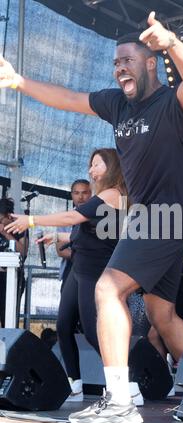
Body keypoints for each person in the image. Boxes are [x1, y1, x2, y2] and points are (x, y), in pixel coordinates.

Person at [1, 11, 183, 423]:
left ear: (150, 63)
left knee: (108, 288)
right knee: (162, 316)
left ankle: (119, 404)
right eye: (115, 63)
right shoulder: (117, 105)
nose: (118, 68)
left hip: (166, 217)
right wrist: (20, 82)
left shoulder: (172, 103)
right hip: (161, 221)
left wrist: (172, 43)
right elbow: (71, 99)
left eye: (127, 60)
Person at [6, 148, 127, 403]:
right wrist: (60, 237)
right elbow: (93, 230)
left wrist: (32, 220)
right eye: (90, 165)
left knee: (95, 332)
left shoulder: (115, 194)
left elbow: (76, 216)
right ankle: (76, 383)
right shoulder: (104, 195)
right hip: (79, 267)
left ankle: (126, 383)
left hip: (95, 268)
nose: (91, 170)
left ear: (112, 167)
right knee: (63, 325)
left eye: (96, 165)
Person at [56, 179, 92, 290]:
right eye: (76, 193)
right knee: (67, 306)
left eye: (84, 193)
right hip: (71, 267)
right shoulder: (65, 218)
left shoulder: (100, 217)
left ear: (91, 194)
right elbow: (60, 250)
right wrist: (83, 256)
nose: (80, 197)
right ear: (72, 195)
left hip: (94, 270)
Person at [0, 198, 28, 327]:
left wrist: (6, 233)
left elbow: (23, 251)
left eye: (0, 220)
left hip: (12, 278)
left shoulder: (19, 227)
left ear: (9, 216)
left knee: (9, 317)